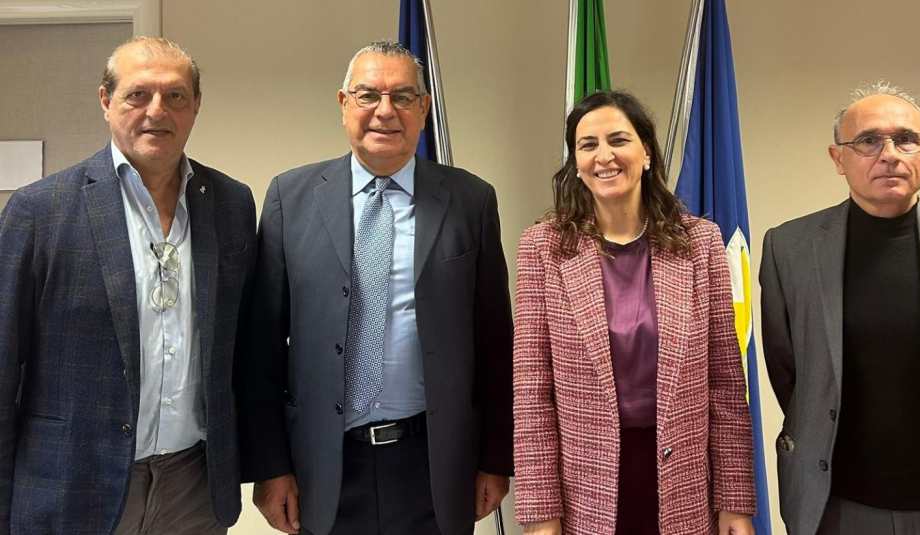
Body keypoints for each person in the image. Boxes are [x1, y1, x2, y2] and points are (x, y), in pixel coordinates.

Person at [238, 40, 514, 535]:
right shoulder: (289, 198)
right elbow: (262, 350)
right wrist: (270, 467)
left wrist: (494, 460)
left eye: (403, 96)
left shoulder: (470, 200)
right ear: (343, 104)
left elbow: (495, 341)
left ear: (423, 109)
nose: (385, 111)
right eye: (368, 95)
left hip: (435, 466)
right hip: (323, 467)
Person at [0, 36, 255, 534]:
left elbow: (245, 348)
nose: (157, 110)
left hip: (194, 490)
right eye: (138, 94)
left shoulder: (230, 204)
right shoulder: (40, 211)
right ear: (106, 100)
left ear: (196, 106)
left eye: (175, 95)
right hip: (74, 483)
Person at [759, 81, 920, 535]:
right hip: (835, 505)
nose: (889, 154)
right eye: (868, 141)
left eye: (906, 139)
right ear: (838, 158)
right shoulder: (788, 249)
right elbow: (787, 371)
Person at [512, 90, 756, 535]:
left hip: (684, 484)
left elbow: (725, 386)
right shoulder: (544, 247)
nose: (603, 156)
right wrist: (541, 513)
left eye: (618, 140)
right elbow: (532, 395)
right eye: (588, 145)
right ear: (576, 163)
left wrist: (735, 503)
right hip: (584, 489)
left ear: (646, 152)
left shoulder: (700, 243)